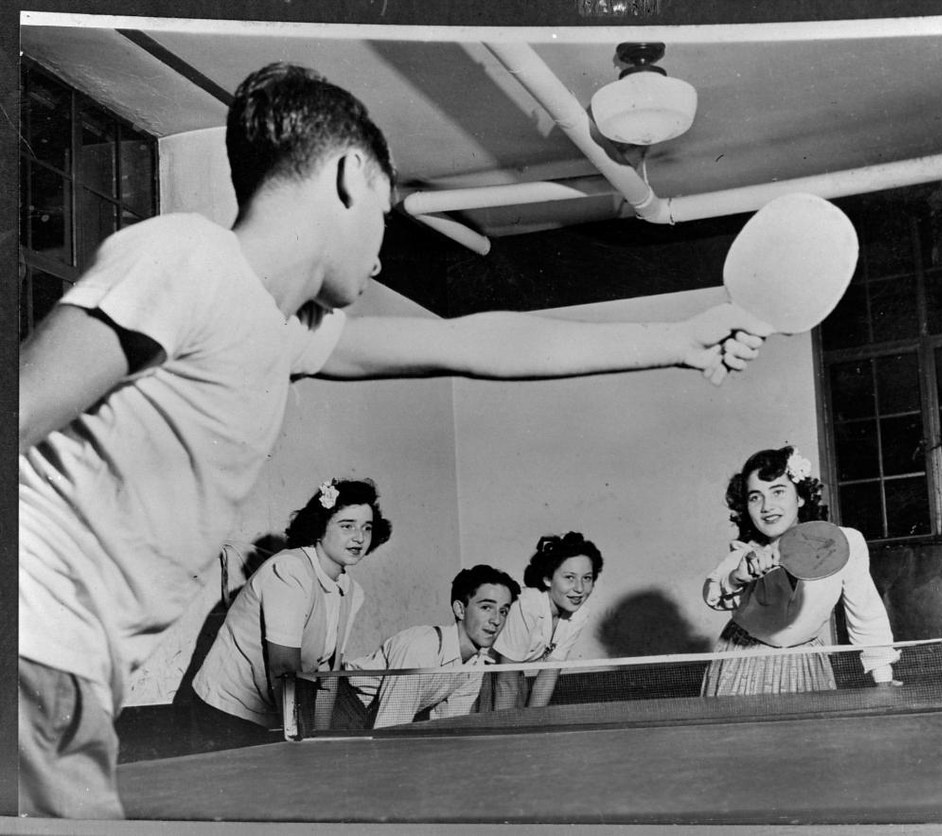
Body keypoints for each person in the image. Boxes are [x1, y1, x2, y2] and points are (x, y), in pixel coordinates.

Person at [18, 61, 769, 818]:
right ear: (349, 176)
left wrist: (676, 339)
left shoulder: (280, 330)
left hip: (81, 677)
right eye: (383, 214)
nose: (380, 256)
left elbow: (475, 345)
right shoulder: (187, 257)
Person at [188, 477, 389, 749]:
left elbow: (329, 676)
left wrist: (320, 736)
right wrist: (303, 738)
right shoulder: (289, 570)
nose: (359, 537)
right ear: (320, 527)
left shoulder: (352, 591)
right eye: (347, 526)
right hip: (225, 710)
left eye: (367, 527)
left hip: (274, 712)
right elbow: (284, 668)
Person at [700, 446, 900, 696]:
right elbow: (713, 591)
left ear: (800, 497)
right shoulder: (744, 554)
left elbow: (866, 612)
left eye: (778, 491)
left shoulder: (843, 543)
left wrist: (883, 677)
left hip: (807, 666)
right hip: (743, 663)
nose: (766, 506)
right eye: (755, 497)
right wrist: (737, 577)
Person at [336, 565, 520, 728]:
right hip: (341, 700)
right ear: (460, 610)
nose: (496, 620)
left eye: (503, 611)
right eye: (486, 607)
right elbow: (390, 726)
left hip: (373, 715)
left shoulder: (476, 664)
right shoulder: (420, 648)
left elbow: (448, 726)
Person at [492, 532, 603, 709]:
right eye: (569, 577)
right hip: (482, 677)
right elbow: (505, 683)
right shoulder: (527, 605)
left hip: (513, 679)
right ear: (547, 579)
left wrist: (535, 722)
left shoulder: (579, 615)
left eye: (587, 578)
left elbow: (547, 678)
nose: (580, 588)